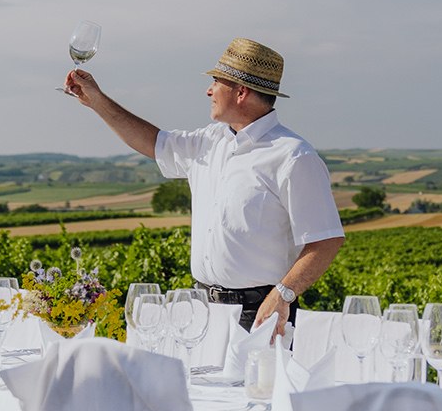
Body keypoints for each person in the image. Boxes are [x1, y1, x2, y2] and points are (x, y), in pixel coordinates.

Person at [65, 37, 344, 338]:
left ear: (241, 92)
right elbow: (152, 142)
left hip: (262, 315)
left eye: (216, 82)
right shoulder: (209, 142)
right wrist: (97, 100)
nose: (208, 91)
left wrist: (282, 295)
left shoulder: (293, 156)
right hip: (202, 313)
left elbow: (325, 241)